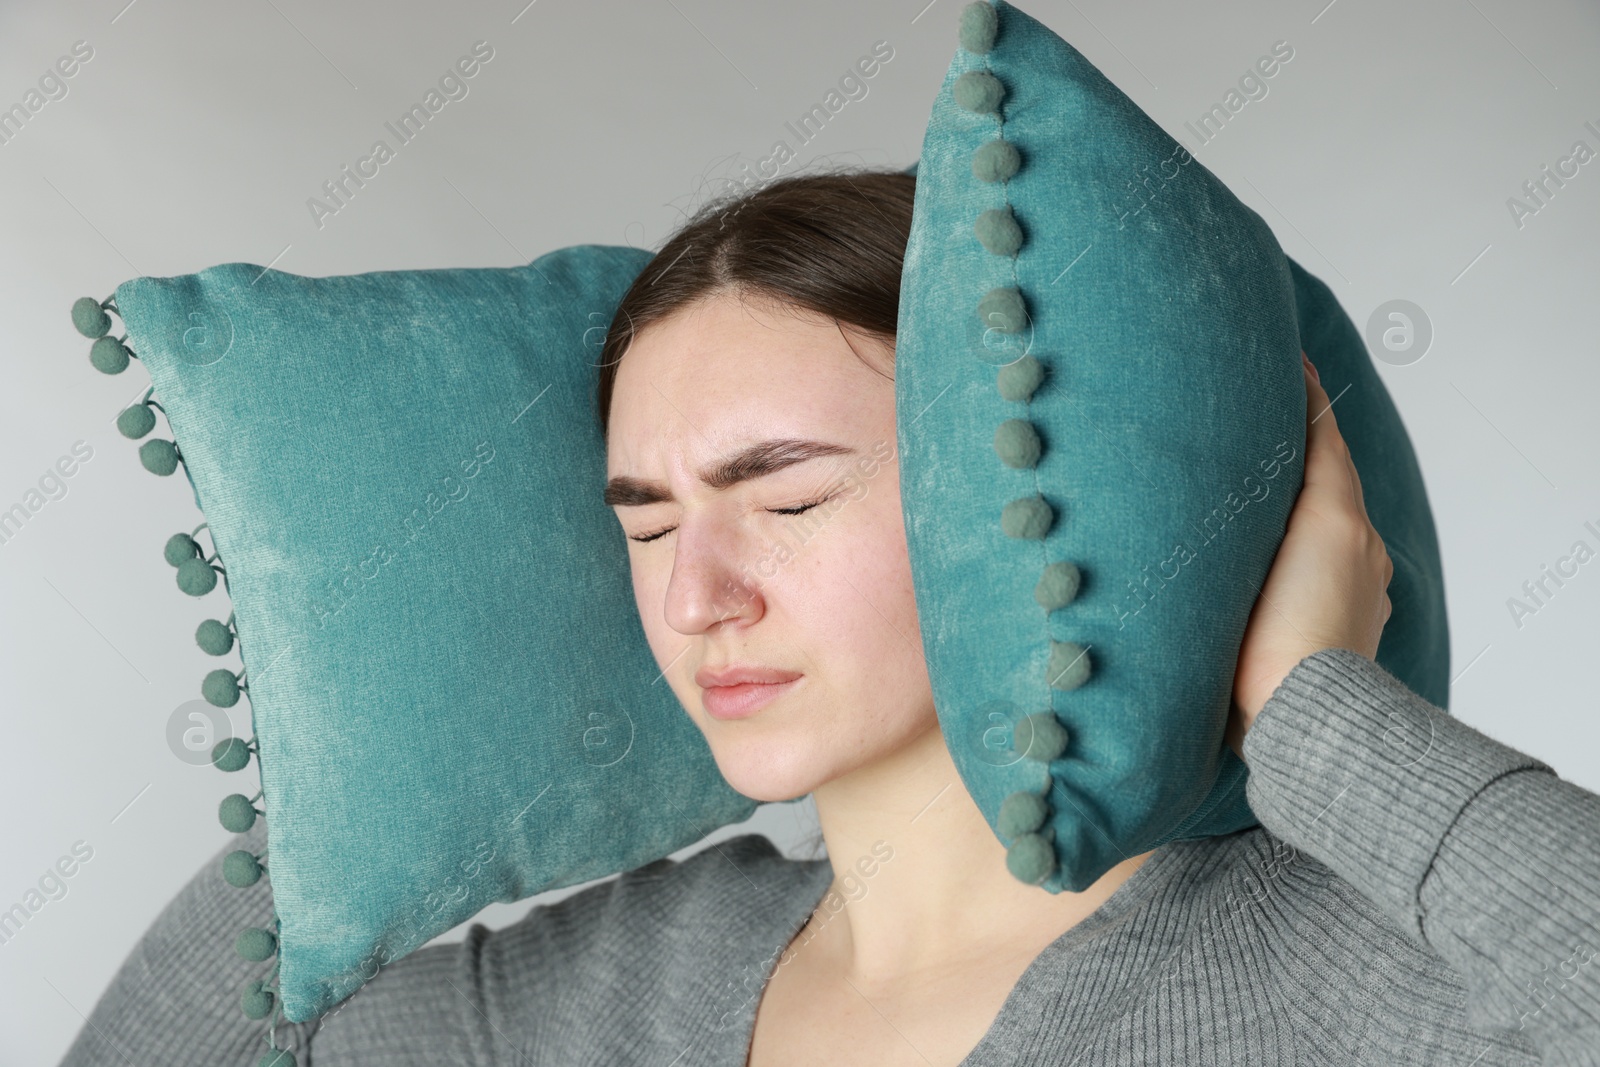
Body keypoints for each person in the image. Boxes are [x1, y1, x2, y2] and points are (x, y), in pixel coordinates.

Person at [58, 168, 1600, 1066]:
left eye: (784, 497)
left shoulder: (1348, 974)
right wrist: (371, 760)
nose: (692, 596)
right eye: (644, 521)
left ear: (1006, 509)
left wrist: (1318, 701)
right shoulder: (607, 993)